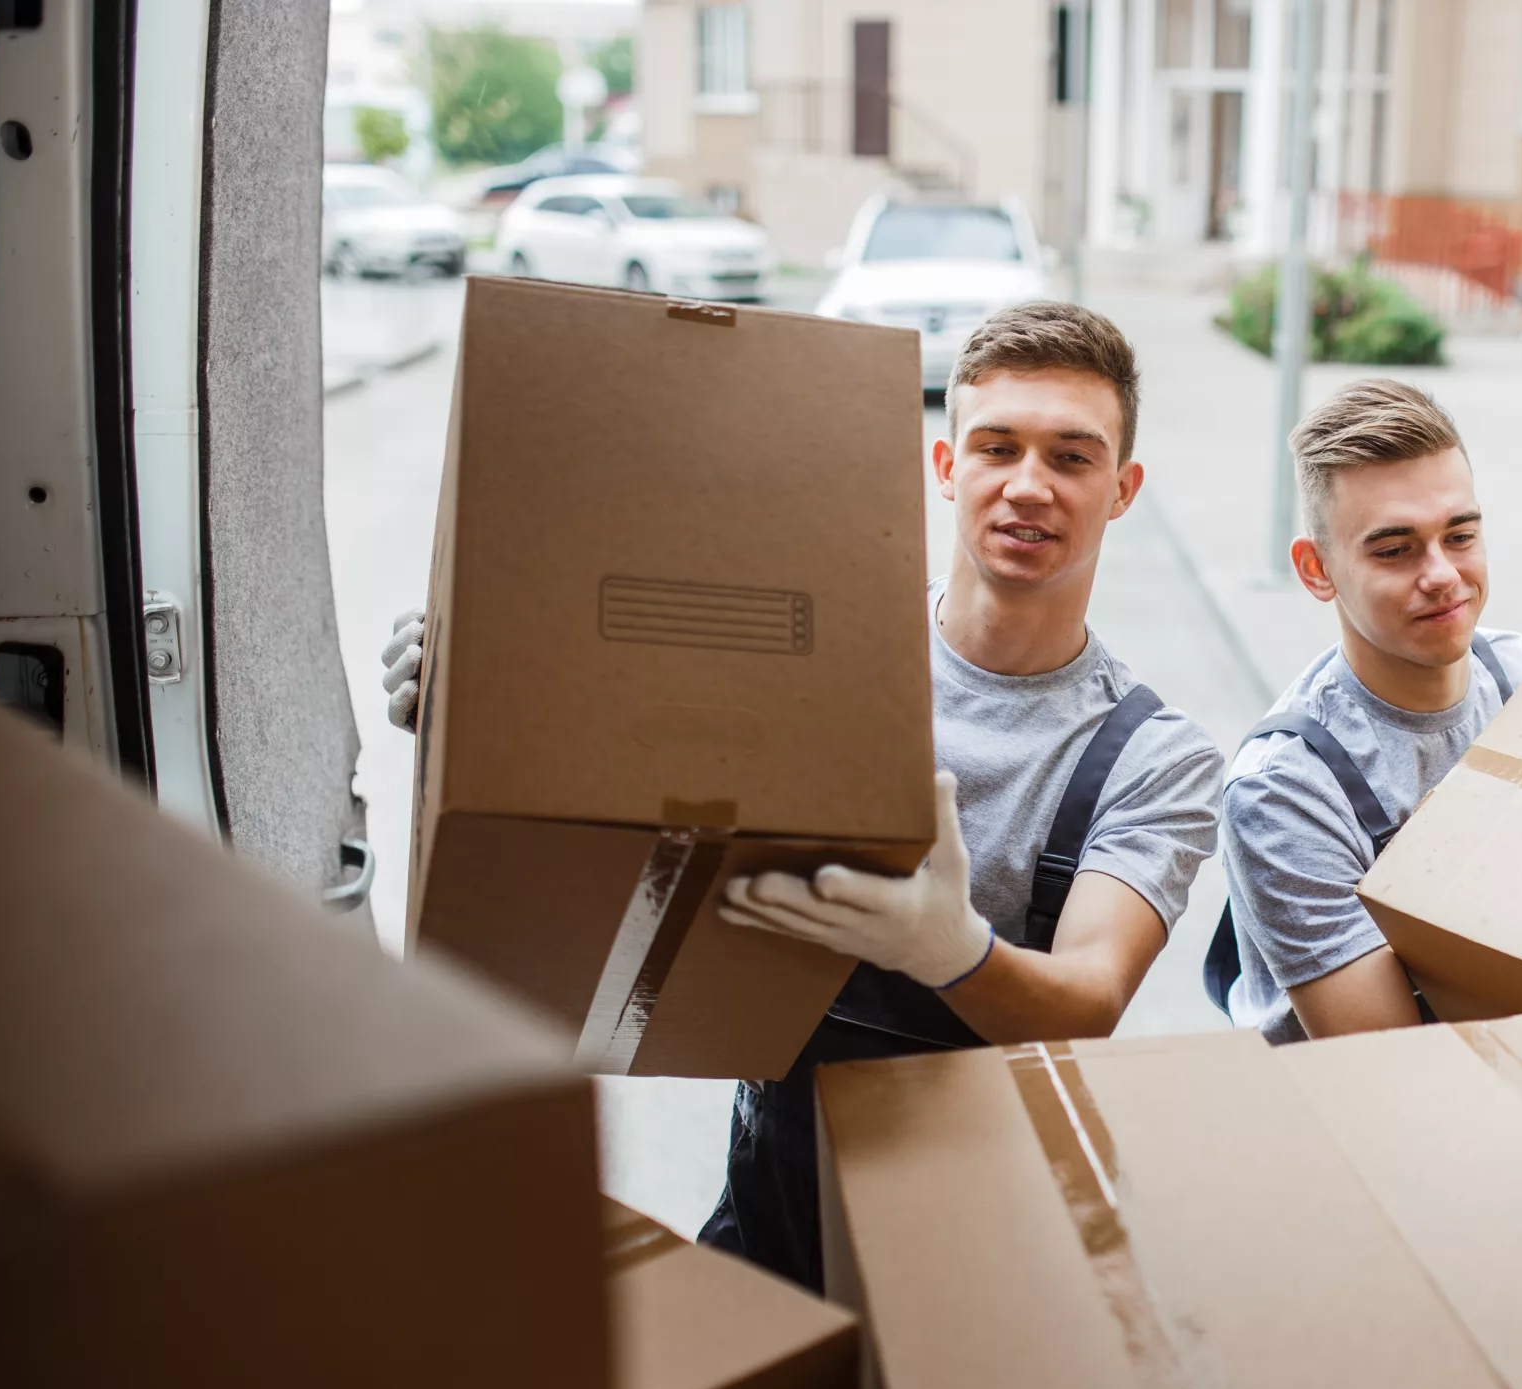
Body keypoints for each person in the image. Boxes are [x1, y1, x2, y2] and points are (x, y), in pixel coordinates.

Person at [383, 303, 1222, 1292]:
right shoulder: (816, 654)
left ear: (1121, 490)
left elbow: (1089, 998)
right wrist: (485, 710)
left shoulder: (1152, 755)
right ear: (948, 467)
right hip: (769, 1219)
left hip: (982, 1260)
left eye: (1072, 458)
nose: (1028, 485)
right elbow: (635, 764)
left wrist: (950, 951)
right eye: (998, 447)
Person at [1209, 379, 1522, 1044]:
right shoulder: (1285, 787)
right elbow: (1390, 1058)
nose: (1442, 572)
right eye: (1395, 549)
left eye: (1461, 534)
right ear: (1316, 568)